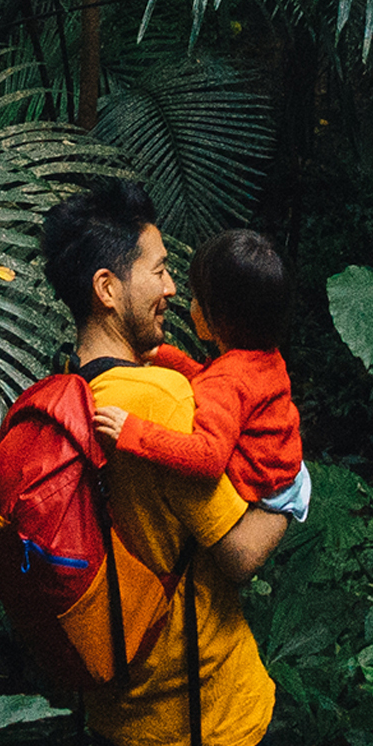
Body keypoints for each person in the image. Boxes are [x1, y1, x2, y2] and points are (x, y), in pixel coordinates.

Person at [36, 179, 296, 746]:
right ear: (108, 288)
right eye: (157, 268)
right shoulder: (161, 406)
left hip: (119, 722)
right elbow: (243, 552)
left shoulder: (67, 389)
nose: (173, 285)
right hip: (205, 734)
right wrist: (288, 490)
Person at [91, 223, 312, 530]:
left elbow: (208, 457)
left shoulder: (226, 382)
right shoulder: (264, 357)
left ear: (216, 316)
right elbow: (231, 393)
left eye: (196, 298)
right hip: (287, 470)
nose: (182, 298)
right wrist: (171, 358)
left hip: (266, 490)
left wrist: (135, 433)